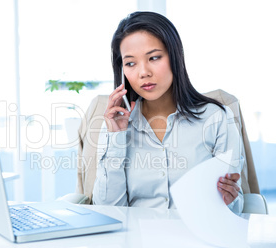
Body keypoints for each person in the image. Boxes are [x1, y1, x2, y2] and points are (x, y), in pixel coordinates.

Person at [92, 11, 244, 213]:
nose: (143, 72)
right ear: (122, 71)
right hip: (135, 241)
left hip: (196, 240)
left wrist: (228, 201)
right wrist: (116, 139)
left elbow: (235, 205)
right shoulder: (115, 127)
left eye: (154, 58)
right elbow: (108, 210)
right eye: (130, 63)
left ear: (175, 57)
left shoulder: (216, 118)